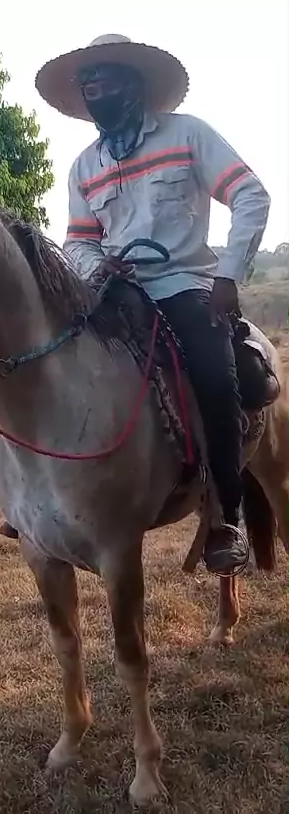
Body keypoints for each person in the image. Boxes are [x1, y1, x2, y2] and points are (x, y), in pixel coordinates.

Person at [34, 33, 271, 575]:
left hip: (186, 284)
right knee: (54, 359)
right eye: (86, 82)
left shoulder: (188, 134)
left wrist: (229, 275)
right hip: (116, 290)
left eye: (103, 77)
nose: (93, 88)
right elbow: (78, 240)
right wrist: (98, 266)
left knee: (215, 379)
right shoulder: (84, 166)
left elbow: (250, 194)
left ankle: (226, 514)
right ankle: (40, 498)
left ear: (134, 84)